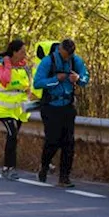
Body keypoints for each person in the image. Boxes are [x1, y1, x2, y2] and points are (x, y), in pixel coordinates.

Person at [33, 38, 89, 187]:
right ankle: (44, 165)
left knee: (68, 142)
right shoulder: (48, 61)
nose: (67, 58)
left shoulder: (75, 60)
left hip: (68, 106)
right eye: (65, 55)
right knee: (53, 140)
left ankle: (64, 177)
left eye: (70, 55)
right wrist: (55, 79)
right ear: (60, 50)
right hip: (51, 106)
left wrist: (78, 79)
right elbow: (37, 83)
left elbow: (85, 78)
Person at [0, 38, 37, 180]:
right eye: (22, 51)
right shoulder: (1, 66)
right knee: (12, 135)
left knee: (14, 136)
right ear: (14, 52)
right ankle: (8, 168)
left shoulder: (24, 68)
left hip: (19, 108)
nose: (25, 54)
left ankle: (9, 168)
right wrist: (6, 63)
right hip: (4, 108)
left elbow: (27, 86)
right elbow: (5, 80)